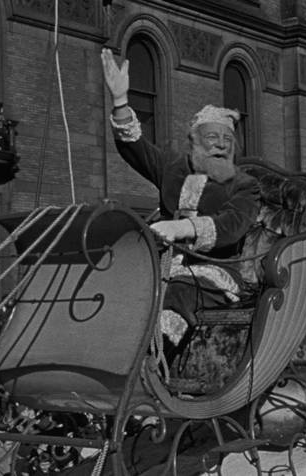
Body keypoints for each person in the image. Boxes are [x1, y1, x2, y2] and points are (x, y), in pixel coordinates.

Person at [100, 48, 261, 346]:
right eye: (212, 138)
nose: (221, 145)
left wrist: (181, 229)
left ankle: (155, 368)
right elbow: (135, 146)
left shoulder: (245, 185)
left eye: (227, 140)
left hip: (213, 276)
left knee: (177, 292)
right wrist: (121, 100)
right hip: (158, 267)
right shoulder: (173, 168)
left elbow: (232, 225)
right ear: (196, 142)